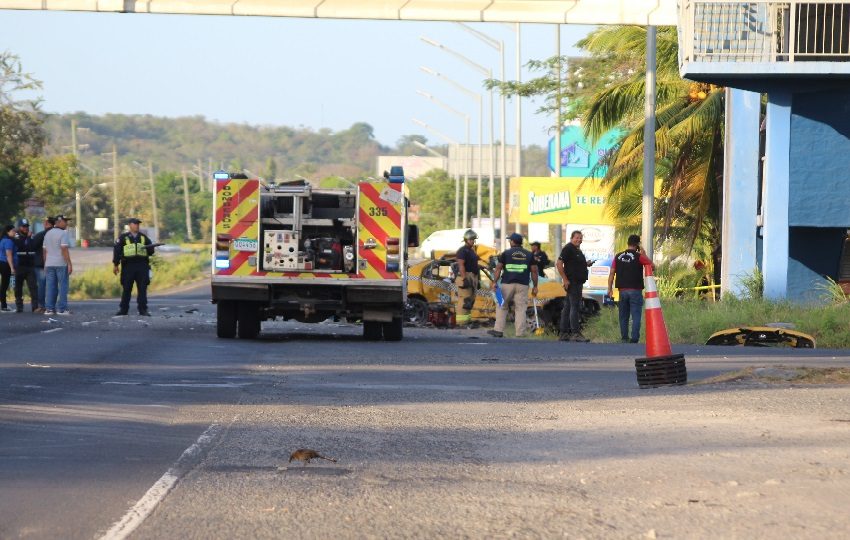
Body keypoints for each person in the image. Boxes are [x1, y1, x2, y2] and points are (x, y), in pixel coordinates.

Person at [488, 233, 538, 338]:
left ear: (513, 242)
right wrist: (535, 286)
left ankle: (498, 330)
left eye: (510, 240)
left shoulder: (506, 253)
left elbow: (498, 268)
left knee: (502, 305)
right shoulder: (529, 254)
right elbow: (534, 271)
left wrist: (494, 281)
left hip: (507, 284)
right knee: (521, 309)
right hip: (523, 285)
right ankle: (520, 333)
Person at [607, 234, 652, 343]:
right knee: (636, 315)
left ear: (628, 243)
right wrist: (644, 255)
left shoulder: (617, 256)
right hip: (635, 290)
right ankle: (634, 338)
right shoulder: (639, 256)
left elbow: (612, 273)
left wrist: (609, 288)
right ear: (637, 245)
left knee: (623, 315)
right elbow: (652, 266)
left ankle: (624, 337)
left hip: (622, 291)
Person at [556, 230, 593, 342]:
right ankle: (575, 333)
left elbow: (574, 264)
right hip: (573, 282)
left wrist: (586, 264)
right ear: (572, 238)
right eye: (577, 238)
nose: (579, 240)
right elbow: (559, 263)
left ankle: (563, 333)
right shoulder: (568, 248)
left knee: (567, 307)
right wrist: (565, 279)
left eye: (580, 238)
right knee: (575, 306)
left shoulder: (577, 250)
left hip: (577, 281)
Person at [113, 217, 155, 316]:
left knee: (142, 289)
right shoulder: (123, 237)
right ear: (130, 225)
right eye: (135, 224)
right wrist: (116, 264)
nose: (137, 226)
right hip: (128, 266)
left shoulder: (144, 237)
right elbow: (117, 251)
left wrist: (150, 248)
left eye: (138, 224)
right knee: (127, 289)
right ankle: (123, 310)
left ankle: (143, 310)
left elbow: (151, 251)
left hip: (142, 266)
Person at [43, 215, 73, 316]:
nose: (67, 224)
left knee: (50, 286)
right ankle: (62, 309)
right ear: (59, 222)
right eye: (65, 221)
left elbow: (45, 251)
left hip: (49, 263)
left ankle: (49, 309)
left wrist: (45, 264)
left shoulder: (47, 234)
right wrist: (69, 263)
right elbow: (64, 249)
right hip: (60, 263)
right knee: (63, 286)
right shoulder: (63, 234)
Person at [454, 229, 480, 327]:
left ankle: (467, 321)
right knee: (464, 300)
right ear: (466, 240)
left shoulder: (471, 251)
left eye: (474, 239)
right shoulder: (462, 251)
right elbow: (461, 265)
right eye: (471, 239)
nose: (473, 241)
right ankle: (461, 323)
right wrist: (464, 278)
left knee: (470, 300)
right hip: (466, 276)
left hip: (472, 276)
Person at [13, 218, 38, 313]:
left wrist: (29, 238)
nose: (26, 228)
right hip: (19, 266)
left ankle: (35, 306)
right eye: (24, 227)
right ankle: (19, 306)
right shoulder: (16, 236)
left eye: (27, 226)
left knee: (33, 286)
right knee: (18, 287)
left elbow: (33, 246)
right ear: (19, 227)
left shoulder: (31, 237)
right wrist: (28, 238)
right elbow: (22, 246)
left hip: (30, 266)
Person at [31, 216, 55, 313]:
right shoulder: (57, 234)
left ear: (47, 223)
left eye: (44, 222)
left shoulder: (41, 235)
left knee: (42, 285)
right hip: (54, 263)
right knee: (52, 285)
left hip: (41, 264)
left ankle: (42, 305)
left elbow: (32, 246)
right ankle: (51, 305)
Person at [0, 225, 17, 312]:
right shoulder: (8, 241)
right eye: (13, 231)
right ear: (8, 231)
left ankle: (3, 305)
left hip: (1, 262)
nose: (15, 232)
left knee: (3, 285)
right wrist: (12, 267)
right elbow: (8, 255)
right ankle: (3, 306)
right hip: (5, 264)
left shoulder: (2, 240)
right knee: (4, 285)